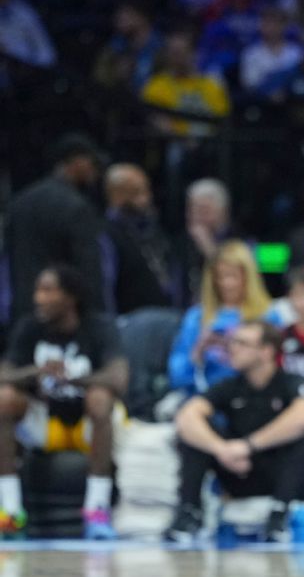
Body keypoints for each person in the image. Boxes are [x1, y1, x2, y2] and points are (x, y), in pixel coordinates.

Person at [0, 266, 127, 540]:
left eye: (48, 291)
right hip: (45, 423)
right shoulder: (29, 327)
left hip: (87, 425)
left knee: (100, 398)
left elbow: (119, 378)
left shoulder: (98, 327)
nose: (39, 298)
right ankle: (9, 510)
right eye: (38, 291)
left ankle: (96, 510)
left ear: (71, 297)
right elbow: (4, 373)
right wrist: (37, 371)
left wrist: (73, 378)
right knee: (4, 398)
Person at [166, 321, 304, 543]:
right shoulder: (230, 385)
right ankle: (189, 511)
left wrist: (249, 445)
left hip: (278, 472)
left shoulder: (290, 382)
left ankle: (279, 512)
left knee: (299, 435)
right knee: (196, 431)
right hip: (238, 468)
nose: (233, 349)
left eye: (242, 343)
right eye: (232, 342)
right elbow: (187, 416)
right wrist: (221, 449)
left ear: (266, 351)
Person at [5, 134, 106, 323]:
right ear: (77, 161)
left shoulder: (20, 202)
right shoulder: (76, 206)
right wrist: (95, 317)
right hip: (63, 315)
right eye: (92, 163)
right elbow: (89, 268)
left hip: (22, 310)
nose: (96, 172)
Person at [168, 241, 276, 395]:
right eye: (220, 276)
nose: (227, 284)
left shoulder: (268, 315)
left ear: (248, 277)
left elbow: (277, 369)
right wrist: (197, 352)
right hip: (203, 396)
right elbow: (176, 377)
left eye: (233, 276)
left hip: (253, 396)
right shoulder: (196, 317)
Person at [102, 164, 176, 313]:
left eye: (147, 190)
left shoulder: (152, 227)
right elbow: (106, 284)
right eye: (136, 192)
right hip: (130, 318)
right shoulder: (107, 234)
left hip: (166, 313)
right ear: (117, 195)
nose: (146, 198)